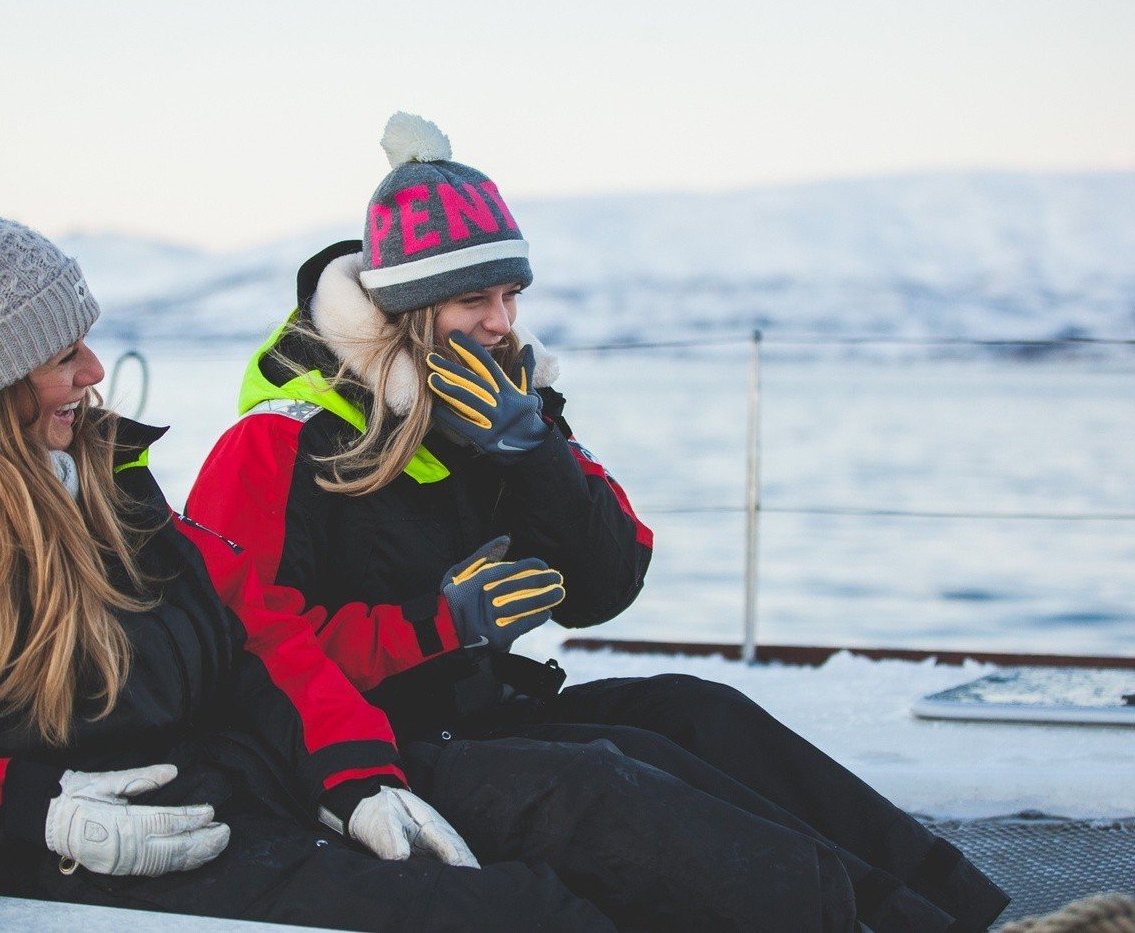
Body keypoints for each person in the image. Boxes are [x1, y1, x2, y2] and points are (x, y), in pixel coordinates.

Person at [185, 113, 1012, 932]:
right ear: (407, 311)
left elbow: (607, 585)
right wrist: (434, 626)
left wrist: (531, 449)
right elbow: (239, 655)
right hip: (365, 757)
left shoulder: (503, 408)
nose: (503, 321)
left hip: (476, 718)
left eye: (511, 294)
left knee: (700, 715)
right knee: (615, 788)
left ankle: (959, 914)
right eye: (475, 298)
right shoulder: (278, 443)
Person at [0, 197, 615, 932]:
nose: (94, 370)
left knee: (541, 895)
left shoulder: (105, 485)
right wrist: (34, 809)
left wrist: (357, 778)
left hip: (227, 802)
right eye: (62, 354)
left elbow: (257, 635)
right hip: (79, 873)